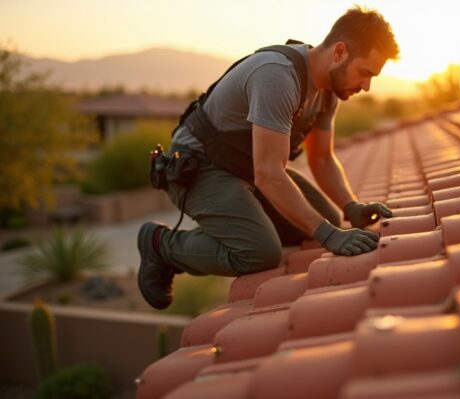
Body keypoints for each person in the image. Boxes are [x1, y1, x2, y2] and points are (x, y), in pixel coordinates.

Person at [137, 6, 400, 310]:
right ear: (339, 52)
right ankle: (161, 245)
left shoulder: (328, 91)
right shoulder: (277, 76)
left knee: (328, 220)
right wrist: (329, 236)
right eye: (365, 73)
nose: (366, 86)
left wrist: (351, 206)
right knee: (260, 252)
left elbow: (323, 159)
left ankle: (243, 219)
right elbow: (270, 174)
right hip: (199, 168)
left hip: (247, 170)